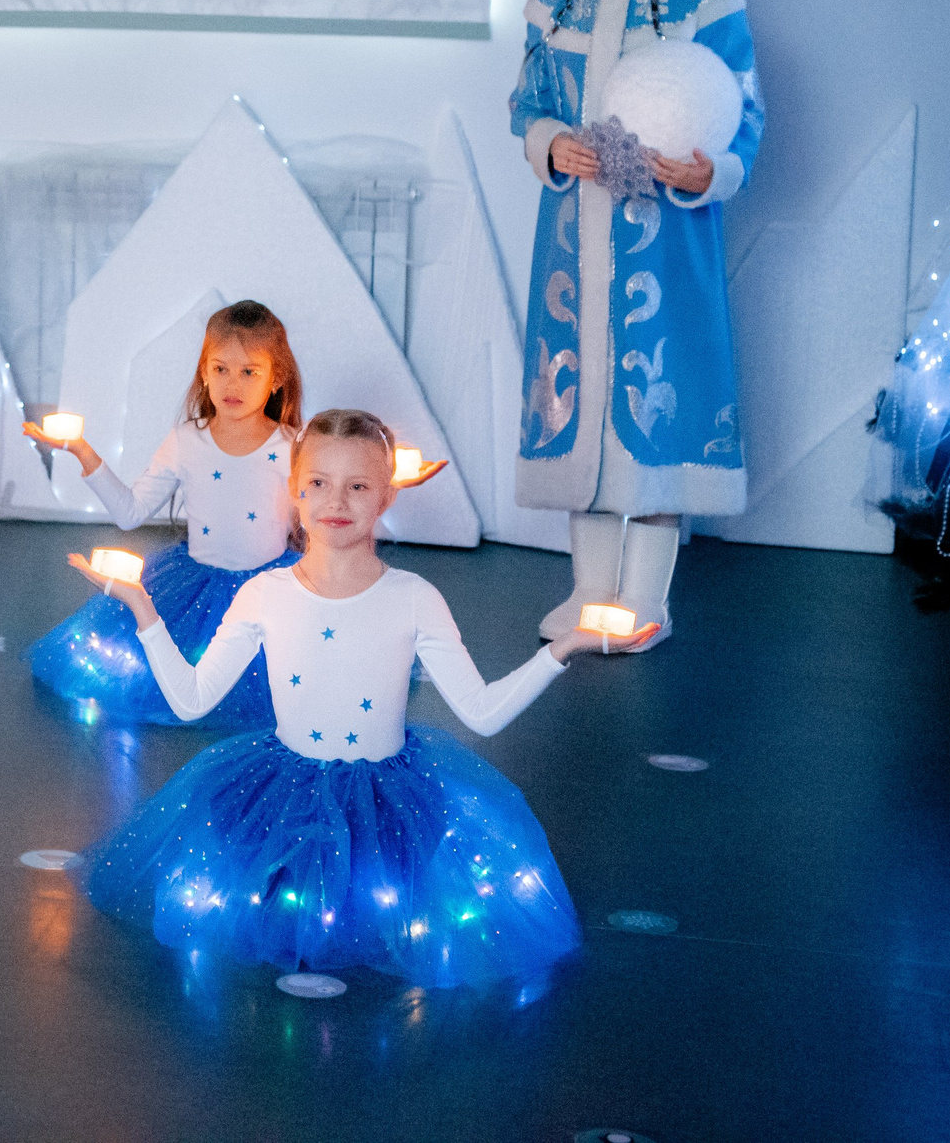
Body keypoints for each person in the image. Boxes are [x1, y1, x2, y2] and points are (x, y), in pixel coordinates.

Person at [78, 409, 645, 987]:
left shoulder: (416, 599)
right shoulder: (262, 595)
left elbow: (483, 712)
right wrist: (143, 609)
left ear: (386, 495)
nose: (336, 501)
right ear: (294, 491)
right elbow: (191, 701)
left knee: (372, 903)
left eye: (358, 486)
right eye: (318, 483)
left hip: (388, 806)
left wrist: (566, 646)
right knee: (292, 906)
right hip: (282, 799)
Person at [509, 0, 763, 649]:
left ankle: (645, 604)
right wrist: (551, 142)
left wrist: (708, 170)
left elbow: (747, 117)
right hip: (573, 236)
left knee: (658, 409)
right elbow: (527, 104)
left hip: (666, 241)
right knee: (575, 404)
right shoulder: (553, 1)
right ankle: (588, 596)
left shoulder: (706, 0)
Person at [21, 301, 303, 726]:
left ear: (275, 378)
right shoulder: (187, 439)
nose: (233, 383)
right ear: (204, 372)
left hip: (270, 594)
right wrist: (81, 450)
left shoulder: (292, 445)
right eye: (220, 368)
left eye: (250, 372)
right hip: (193, 591)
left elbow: (328, 514)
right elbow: (130, 513)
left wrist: (379, 485)